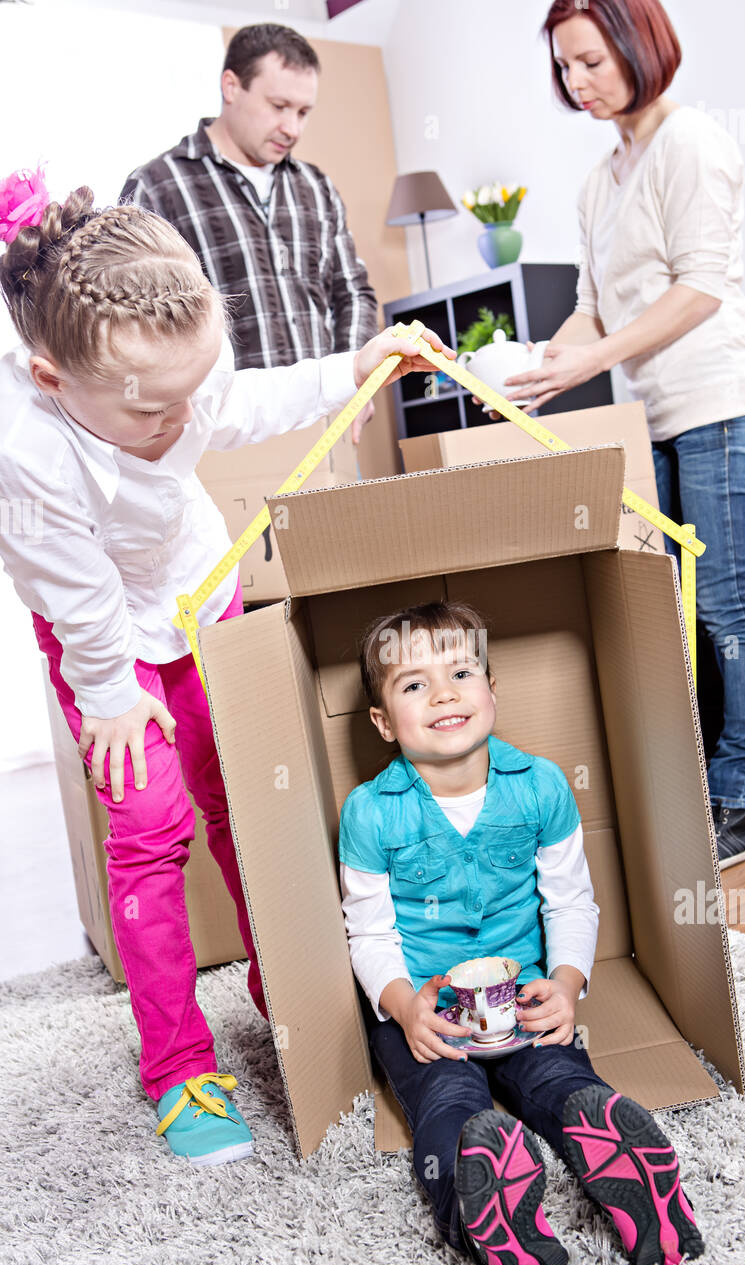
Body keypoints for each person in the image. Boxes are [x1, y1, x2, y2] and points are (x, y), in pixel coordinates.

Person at [0, 178, 449, 1165]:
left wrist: (353, 367)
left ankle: (289, 988)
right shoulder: (27, 453)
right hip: (104, 642)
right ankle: (176, 1064)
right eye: (156, 410)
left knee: (245, 801)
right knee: (150, 829)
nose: (184, 420)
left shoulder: (178, 377)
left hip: (198, 598)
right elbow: (73, 595)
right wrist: (113, 699)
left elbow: (242, 399)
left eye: (191, 391)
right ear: (50, 380)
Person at [338, 600, 703, 1265]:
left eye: (461, 672)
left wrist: (566, 986)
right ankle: (481, 1203)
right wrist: (403, 1006)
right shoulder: (369, 811)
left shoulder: (539, 786)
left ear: (492, 691)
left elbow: (571, 902)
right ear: (384, 722)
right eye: (414, 684)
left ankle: (624, 1168)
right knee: (448, 1101)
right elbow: (370, 932)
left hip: (522, 992)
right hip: (427, 1005)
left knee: (558, 1076)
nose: (444, 693)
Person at [505, 0, 745, 869]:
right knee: (675, 611)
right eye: (563, 67)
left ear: (639, 46)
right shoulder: (601, 180)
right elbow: (592, 307)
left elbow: (698, 290)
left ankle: (737, 798)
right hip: (654, 421)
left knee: (733, 608)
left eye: (590, 61)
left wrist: (588, 363)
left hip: (723, 404)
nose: (576, 82)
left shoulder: (692, 141)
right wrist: (526, 370)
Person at [120, 23, 378, 443]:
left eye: (303, 112)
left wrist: (357, 378)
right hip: (219, 434)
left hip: (324, 422)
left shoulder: (315, 186)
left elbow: (351, 292)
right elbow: (137, 323)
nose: (292, 128)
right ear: (231, 86)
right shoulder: (156, 185)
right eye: (279, 106)